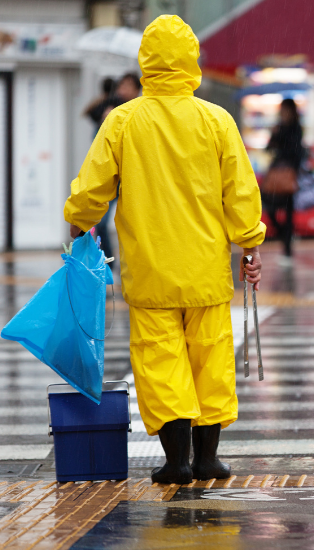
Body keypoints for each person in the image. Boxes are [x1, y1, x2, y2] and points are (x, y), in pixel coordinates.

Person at [63, 15, 266, 485]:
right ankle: (208, 458)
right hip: (206, 271)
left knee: (160, 361)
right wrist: (249, 244)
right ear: (192, 62)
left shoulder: (124, 120)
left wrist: (78, 221)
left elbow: (92, 189)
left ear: (147, 63)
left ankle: (176, 462)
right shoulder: (217, 120)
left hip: (150, 271)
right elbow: (240, 193)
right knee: (210, 360)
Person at [92, 73, 142, 267]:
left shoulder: (141, 112)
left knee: (135, 225)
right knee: (102, 223)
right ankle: (108, 264)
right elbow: (98, 151)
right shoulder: (110, 110)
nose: (124, 89)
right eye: (122, 85)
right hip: (113, 178)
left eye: (129, 86)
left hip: (133, 178)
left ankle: (133, 265)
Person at [264, 98, 303, 259]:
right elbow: (269, 148)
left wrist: (281, 135)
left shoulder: (296, 128)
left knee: (288, 214)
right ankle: (284, 237)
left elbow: (295, 150)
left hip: (288, 176)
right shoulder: (278, 127)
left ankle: (287, 250)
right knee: (269, 206)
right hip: (276, 175)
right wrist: (274, 135)